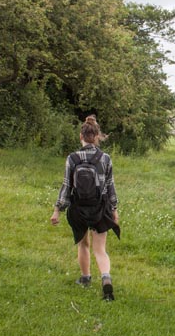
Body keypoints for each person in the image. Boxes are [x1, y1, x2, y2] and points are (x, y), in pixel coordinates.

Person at [50, 115, 120, 301]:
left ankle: (85, 278)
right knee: (100, 249)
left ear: (81, 136)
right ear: (97, 136)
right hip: (100, 208)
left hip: (78, 208)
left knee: (83, 244)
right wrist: (114, 209)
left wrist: (57, 209)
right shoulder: (105, 158)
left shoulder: (72, 158)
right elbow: (111, 186)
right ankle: (106, 279)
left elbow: (66, 186)